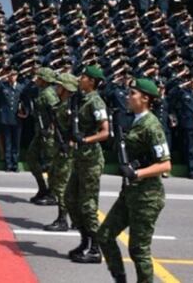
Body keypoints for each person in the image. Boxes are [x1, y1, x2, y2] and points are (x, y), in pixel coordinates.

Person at [99, 77, 171, 283]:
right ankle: (120, 278)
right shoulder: (134, 120)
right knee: (104, 235)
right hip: (130, 192)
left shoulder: (152, 126)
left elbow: (165, 164)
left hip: (147, 196)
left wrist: (136, 173)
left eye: (133, 94)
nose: (127, 97)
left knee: (138, 250)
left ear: (145, 99)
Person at [65, 65, 111, 264]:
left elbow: (105, 132)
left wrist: (84, 140)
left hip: (91, 159)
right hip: (79, 158)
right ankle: (85, 240)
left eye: (83, 76)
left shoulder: (96, 102)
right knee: (70, 198)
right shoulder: (81, 99)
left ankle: (95, 248)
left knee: (88, 204)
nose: (79, 78)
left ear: (91, 81)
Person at [44, 73, 78, 232]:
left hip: (68, 151)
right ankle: (74, 218)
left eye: (59, 86)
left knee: (62, 186)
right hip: (61, 148)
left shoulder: (71, 107)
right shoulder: (61, 105)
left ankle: (63, 219)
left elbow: (76, 130)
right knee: (60, 184)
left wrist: (69, 143)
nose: (56, 88)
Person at [25, 68, 59, 204]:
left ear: (44, 80)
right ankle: (43, 188)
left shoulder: (49, 94)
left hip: (49, 134)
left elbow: (56, 113)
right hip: (41, 131)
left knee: (51, 164)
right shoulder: (41, 91)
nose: (36, 80)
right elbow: (25, 92)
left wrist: (51, 128)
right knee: (31, 158)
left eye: (38, 78)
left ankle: (53, 193)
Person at [168, 79, 193, 179]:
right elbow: (171, 93)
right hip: (188, 124)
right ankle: (192, 171)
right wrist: (183, 84)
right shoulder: (184, 92)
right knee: (190, 148)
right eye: (191, 82)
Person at [0, 69, 24, 173]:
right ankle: (8, 164)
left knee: (16, 143)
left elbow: (25, 99)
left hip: (17, 118)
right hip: (6, 118)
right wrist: (0, 78)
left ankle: (15, 164)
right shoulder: (3, 86)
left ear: (17, 76)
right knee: (8, 142)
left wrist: (24, 111)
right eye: (10, 75)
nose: (12, 77)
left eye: (14, 75)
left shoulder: (20, 87)